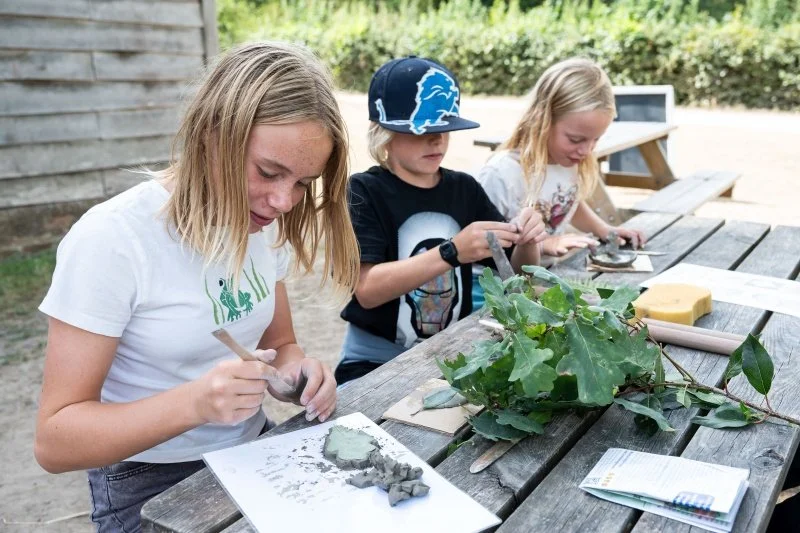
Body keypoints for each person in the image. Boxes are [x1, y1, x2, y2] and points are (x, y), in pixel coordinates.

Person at [33, 41, 359, 532]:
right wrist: (195, 403)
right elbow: (55, 441)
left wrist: (296, 376)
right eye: (269, 172)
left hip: (253, 450)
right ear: (212, 134)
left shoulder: (261, 221)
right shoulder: (112, 239)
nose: (282, 200)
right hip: (148, 478)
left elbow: (280, 344)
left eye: (302, 183)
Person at [335, 56, 546, 385]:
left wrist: (529, 239)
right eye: (423, 130)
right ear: (384, 133)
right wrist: (451, 252)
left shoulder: (464, 188)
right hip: (374, 360)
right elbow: (367, 290)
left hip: (449, 354)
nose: (438, 139)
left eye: (445, 128)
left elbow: (515, 274)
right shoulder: (365, 190)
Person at [476, 57, 647, 264]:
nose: (586, 150)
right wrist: (544, 244)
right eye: (576, 139)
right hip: (493, 286)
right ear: (542, 121)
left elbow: (568, 202)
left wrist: (605, 230)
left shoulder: (567, 160)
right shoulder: (502, 174)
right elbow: (482, 243)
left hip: (543, 275)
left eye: (596, 139)